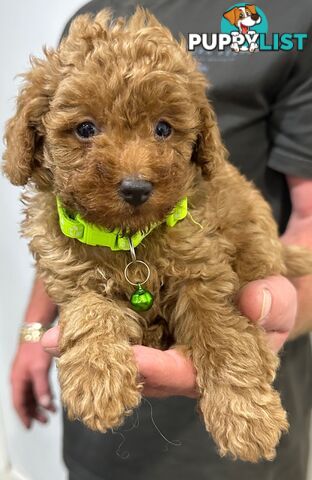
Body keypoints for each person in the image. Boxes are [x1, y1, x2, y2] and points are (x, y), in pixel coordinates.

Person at [11, 1, 312, 479]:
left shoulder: (294, 15)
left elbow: (307, 218)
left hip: (239, 444)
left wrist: (279, 307)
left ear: (200, 138)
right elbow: (68, 274)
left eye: (164, 129)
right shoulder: (91, 14)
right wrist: (30, 335)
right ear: (33, 141)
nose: (136, 171)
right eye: (86, 130)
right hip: (106, 453)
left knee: (207, 303)